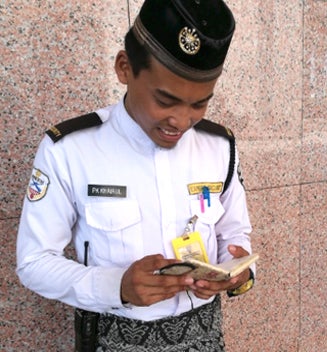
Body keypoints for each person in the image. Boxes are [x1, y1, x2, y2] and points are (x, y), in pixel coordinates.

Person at [15, 0, 255, 350]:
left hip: (205, 337)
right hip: (112, 338)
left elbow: (235, 232)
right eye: (166, 100)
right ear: (124, 68)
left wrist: (238, 272)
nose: (181, 120)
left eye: (199, 104)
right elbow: (34, 262)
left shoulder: (218, 146)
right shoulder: (70, 150)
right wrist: (118, 287)